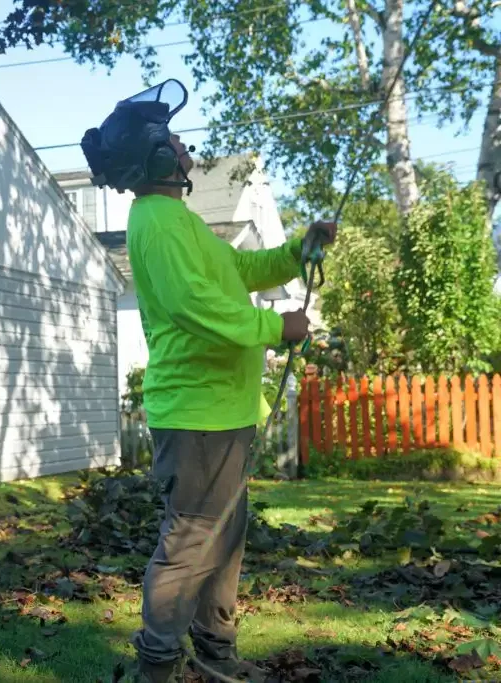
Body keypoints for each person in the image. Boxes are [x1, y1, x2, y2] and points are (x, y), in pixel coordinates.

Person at [79, 81, 335, 682]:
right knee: (192, 540)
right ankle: (157, 667)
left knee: (223, 536)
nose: (180, 141)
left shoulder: (178, 220)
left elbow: (236, 269)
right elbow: (196, 306)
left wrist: (298, 250)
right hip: (198, 416)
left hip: (221, 412)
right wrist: (278, 326)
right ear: (156, 157)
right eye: (168, 136)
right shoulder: (158, 223)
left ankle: (215, 652)